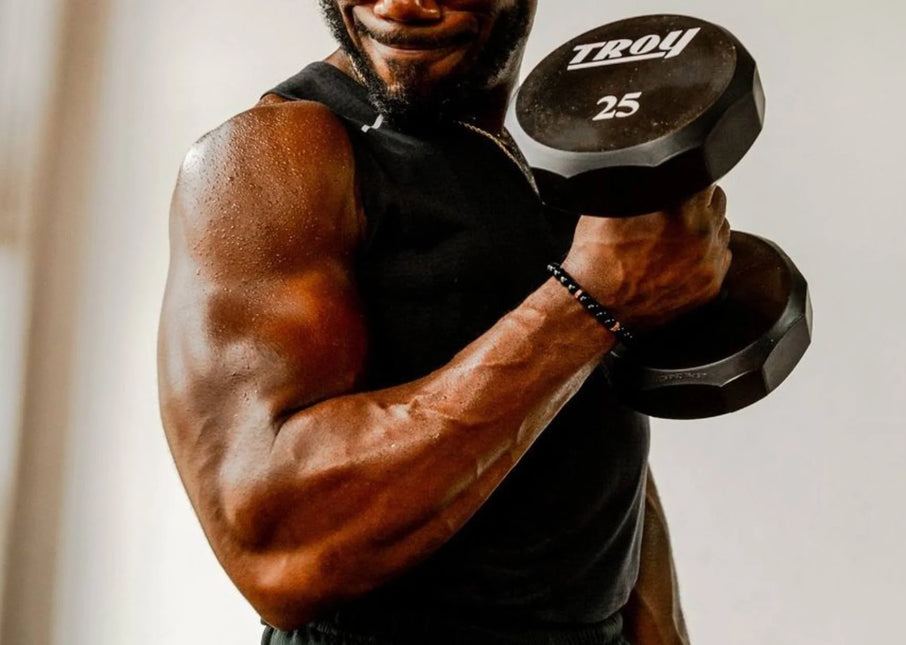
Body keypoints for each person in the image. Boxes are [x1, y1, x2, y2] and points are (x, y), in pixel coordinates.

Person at [157, 1, 731, 643]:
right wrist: (585, 300)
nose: (401, 5)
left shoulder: (542, 147)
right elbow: (277, 546)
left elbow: (584, 430)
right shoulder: (273, 156)